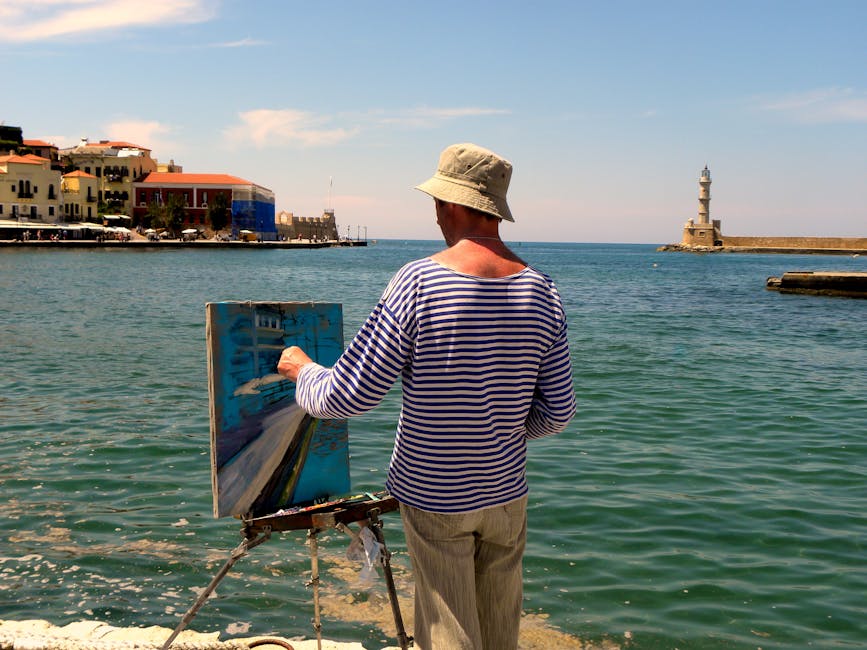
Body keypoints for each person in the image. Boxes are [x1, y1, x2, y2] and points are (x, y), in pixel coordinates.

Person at [277, 143, 576, 650]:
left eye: (437, 203)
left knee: (448, 630)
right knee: (500, 627)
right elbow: (558, 413)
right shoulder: (541, 289)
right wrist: (497, 429)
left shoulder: (420, 281)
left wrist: (301, 370)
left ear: (452, 206)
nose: (435, 214)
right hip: (506, 493)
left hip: (435, 492)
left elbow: (349, 395)